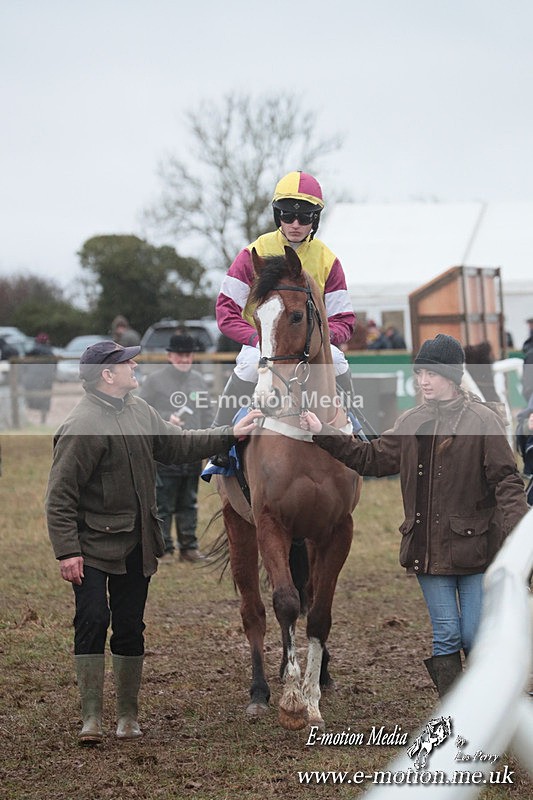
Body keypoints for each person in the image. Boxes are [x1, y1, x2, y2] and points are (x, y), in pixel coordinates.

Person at [45, 340, 261, 746]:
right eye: (128, 362)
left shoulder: (140, 410)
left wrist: (228, 434)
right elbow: (59, 497)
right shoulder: (82, 425)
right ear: (108, 375)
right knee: (92, 621)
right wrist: (67, 551)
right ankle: (91, 718)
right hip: (90, 548)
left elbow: (177, 444)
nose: (135, 365)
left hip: (138, 543)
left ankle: (127, 716)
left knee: (130, 627)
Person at [300, 333, 528, 697]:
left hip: (476, 549)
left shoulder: (484, 420)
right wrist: (323, 433)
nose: (423, 381)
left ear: (452, 378)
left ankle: (489, 698)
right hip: (426, 548)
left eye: (431, 375)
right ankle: (455, 710)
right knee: (447, 633)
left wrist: (521, 535)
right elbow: (370, 458)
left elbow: (507, 481)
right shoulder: (411, 420)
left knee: (472, 633)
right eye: (419, 374)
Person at [211, 170, 356, 465]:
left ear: (314, 220)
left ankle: (356, 428)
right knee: (250, 366)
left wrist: (320, 339)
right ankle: (218, 440)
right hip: (263, 342)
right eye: (288, 216)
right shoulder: (253, 253)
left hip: (310, 345)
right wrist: (258, 339)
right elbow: (226, 312)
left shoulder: (329, 260)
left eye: (304, 218)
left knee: (339, 362)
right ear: (278, 215)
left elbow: (344, 319)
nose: (295, 224)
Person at [138, 333, 213, 562]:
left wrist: (209, 439)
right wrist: (164, 418)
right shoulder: (154, 381)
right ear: (170, 356)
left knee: (188, 500)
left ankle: (189, 547)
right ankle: (164, 549)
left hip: (191, 450)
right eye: (180, 355)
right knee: (163, 501)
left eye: (188, 355)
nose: (184, 359)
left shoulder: (199, 381)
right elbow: (141, 410)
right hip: (165, 451)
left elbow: (207, 412)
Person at [22, 332, 57, 423]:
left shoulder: (33, 350)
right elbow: (54, 366)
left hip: (35, 378)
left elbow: (24, 363)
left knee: (29, 397)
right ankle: (42, 420)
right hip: (46, 379)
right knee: (45, 399)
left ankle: (27, 420)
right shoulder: (50, 352)